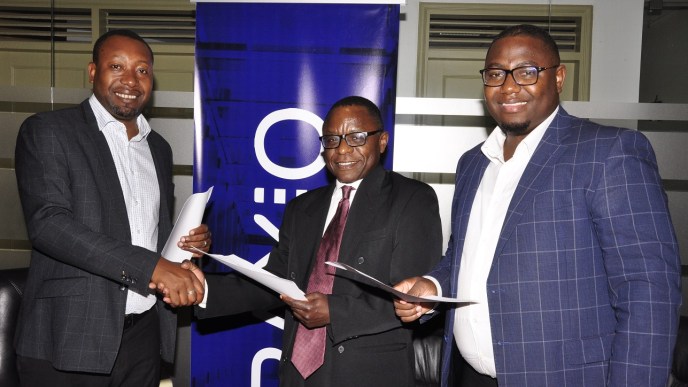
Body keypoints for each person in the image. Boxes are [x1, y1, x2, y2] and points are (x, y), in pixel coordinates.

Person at [393, 24, 682, 387]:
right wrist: (433, 287)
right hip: (468, 377)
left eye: (527, 72)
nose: (509, 86)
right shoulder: (473, 163)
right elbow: (465, 256)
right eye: (496, 73)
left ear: (558, 77)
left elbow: (648, 292)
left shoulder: (608, 152)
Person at [181, 96, 443, 386]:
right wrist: (204, 289)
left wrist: (335, 311)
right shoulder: (302, 208)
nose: (342, 149)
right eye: (331, 139)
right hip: (297, 373)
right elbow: (275, 281)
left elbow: (414, 298)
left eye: (356, 137)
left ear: (382, 141)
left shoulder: (412, 199)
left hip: (367, 373)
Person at [14, 29, 211, 387]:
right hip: (69, 339)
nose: (130, 81)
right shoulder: (49, 131)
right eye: (116, 66)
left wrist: (185, 248)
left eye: (142, 70)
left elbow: (151, 234)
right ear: (93, 72)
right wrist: (153, 267)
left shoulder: (159, 149)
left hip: (143, 339)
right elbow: (49, 225)